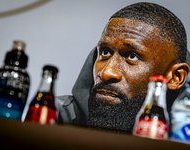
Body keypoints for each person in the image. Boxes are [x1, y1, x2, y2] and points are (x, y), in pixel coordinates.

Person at [56, 2, 189, 133]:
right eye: (105, 52)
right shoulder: (53, 117)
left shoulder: (183, 135)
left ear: (175, 78)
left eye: (132, 56)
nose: (107, 72)